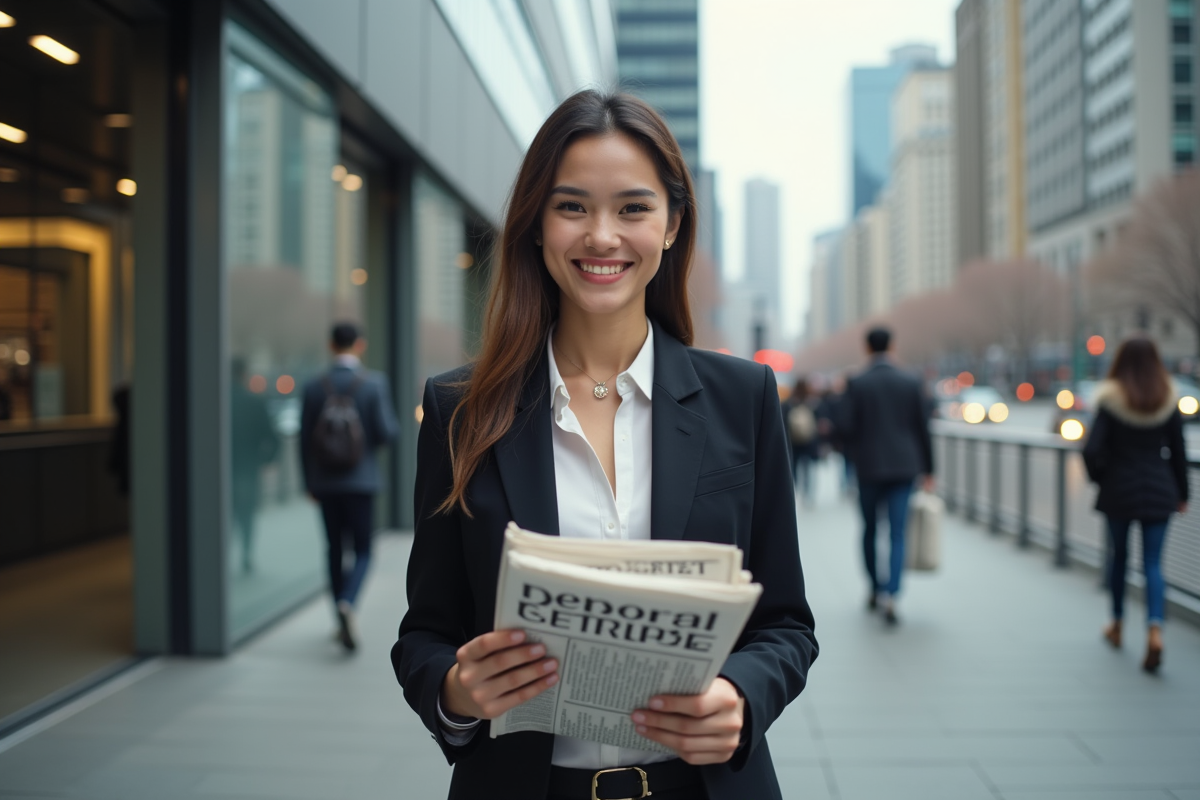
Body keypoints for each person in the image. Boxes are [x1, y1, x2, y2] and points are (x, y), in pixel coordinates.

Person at [391, 90, 817, 800]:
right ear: (535, 225)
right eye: (571, 207)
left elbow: (786, 624)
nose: (601, 236)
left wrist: (742, 700)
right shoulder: (459, 409)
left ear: (673, 224)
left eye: (632, 208)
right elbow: (425, 633)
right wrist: (458, 690)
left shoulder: (743, 399)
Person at [1082, 335, 1187, 674]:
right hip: (1160, 488)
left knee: (1119, 559)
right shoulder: (1166, 398)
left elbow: (1091, 450)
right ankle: (1155, 629)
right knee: (1154, 563)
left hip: (1119, 490)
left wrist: (1102, 478)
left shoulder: (1111, 400)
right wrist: (1182, 493)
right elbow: (1178, 453)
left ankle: (1116, 623)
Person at [300, 322, 398, 652]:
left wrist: (309, 482)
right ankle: (349, 602)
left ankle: (337, 612)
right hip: (362, 481)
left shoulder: (315, 386)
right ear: (360, 345)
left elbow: (304, 440)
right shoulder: (373, 384)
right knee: (364, 549)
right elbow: (387, 432)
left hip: (325, 483)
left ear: (331, 345)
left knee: (333, 549)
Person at [838, 326, 933, 625]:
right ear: (892, 346)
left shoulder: (857, 382)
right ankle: (892, 593)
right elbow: (922, 428)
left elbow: (844, 426)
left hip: (868, 467)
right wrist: (930, 469)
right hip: (905, 467)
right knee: (898, 532)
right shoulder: (911, 381)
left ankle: (874, 587)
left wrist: (855, 453)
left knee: (869, 529)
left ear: (866, 348)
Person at [231, 359, 279, 573]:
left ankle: (222, 556)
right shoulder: (254, 402)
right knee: (246, 514)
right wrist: (265, 461)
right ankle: (246, 554)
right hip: (248, 468)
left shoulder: (216, 403)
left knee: (224, 515)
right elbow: (271, 437)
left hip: (222, 470)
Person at [784, 376, 819, 506]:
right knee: (809, 468)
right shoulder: (812, 402)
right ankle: (809, 493)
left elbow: (784, 421)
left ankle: (796, 490)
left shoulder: (789, 402)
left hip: (794, 442)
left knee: (794, 467)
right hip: (809, 441)